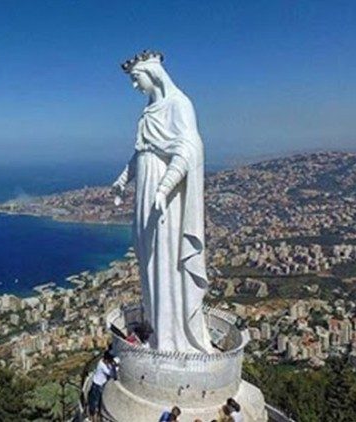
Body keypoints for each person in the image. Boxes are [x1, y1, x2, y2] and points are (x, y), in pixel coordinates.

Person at [112, 50, 213, 353]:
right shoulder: (148, 110)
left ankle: (172, 338)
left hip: (164, 199)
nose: (134, 85)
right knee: (149, 261)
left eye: (135, 78)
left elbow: (188, 151)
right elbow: (142, 152)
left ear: (152, 74)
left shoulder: (179, 104)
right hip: (147, 195)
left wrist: (164, 188)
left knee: (166, 261)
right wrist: (123, 179)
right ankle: (158, 328)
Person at [88, 350, 118, 420]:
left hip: (98, 384)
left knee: (97, 402)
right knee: (95, 402)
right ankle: (93, 417)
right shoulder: (102, 365)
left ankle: (95, 415)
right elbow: (112, 375)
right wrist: (114, 366)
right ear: (107, 359)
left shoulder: (103, 362)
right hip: (97, 386)